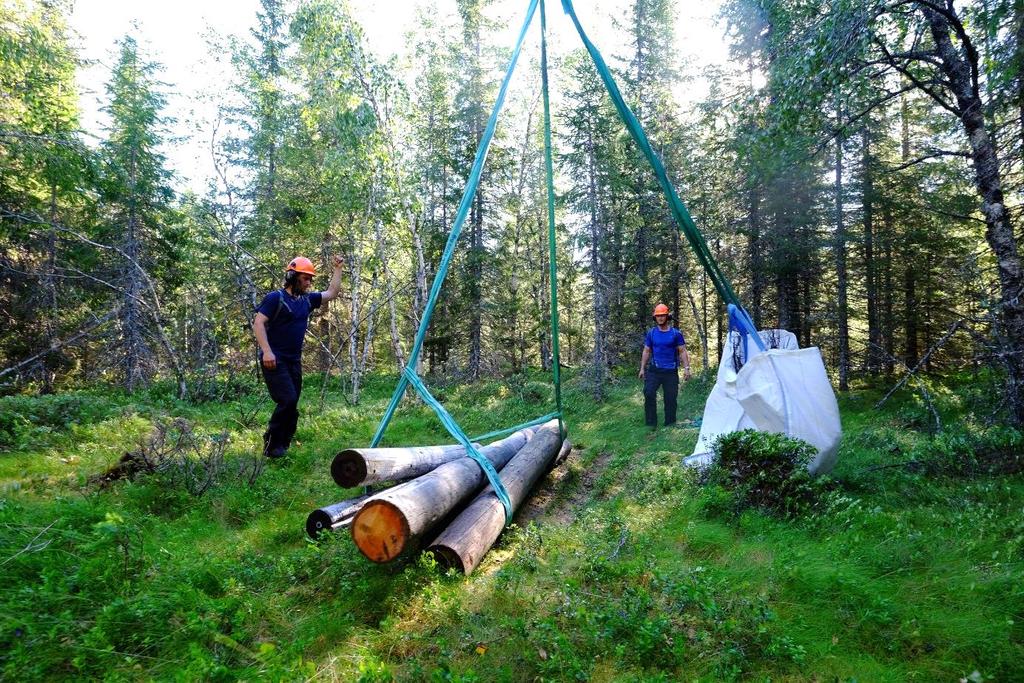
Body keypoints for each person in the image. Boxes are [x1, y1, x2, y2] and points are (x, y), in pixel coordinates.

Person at [253, 255, 343, 457]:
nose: (309, 282)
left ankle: (283, 445)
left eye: (311, 278)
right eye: (306, 278)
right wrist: (267, 351)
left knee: (292, 404)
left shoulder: (307, 300)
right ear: (293, 276)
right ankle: (272, 446)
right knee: (287, 400)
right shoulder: (275, 298)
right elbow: (258, 323)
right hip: (274, 359)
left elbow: (332, 292)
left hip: (294, 361)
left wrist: (338, 269)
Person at [639, 303, 692, 428]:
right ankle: (651, 424)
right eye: (658, 316)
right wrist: (642, 368)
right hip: (654, 370)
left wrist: (687, 368)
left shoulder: (676, 334)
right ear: (655, 318)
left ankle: (670, 424)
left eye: (663, 316)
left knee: (670, 398)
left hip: (670, 371)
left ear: (667, 317)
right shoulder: (651, 333)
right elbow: (646, 351)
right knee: (649, 392)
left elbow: (682, 351)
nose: (660, 318)